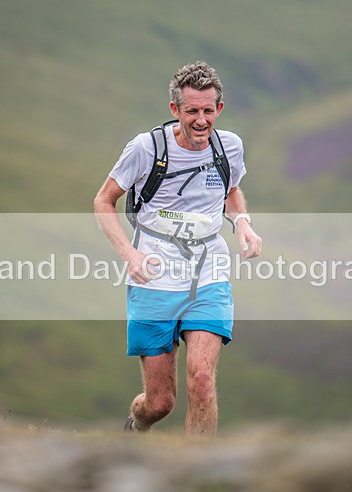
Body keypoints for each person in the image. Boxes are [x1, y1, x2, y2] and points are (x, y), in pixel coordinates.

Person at [93, 61, 262, 436]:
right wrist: (130, 255)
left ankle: (197, 480)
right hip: (154, 274)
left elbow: (230, 190)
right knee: (160, 403)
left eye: (208, 110)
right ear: (175, 110)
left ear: (219, 108)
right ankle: (136, 423)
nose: (201, 121)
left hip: (208, 272)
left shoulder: (228, 146)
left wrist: (243, 224)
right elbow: (104, 201)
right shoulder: (145, 148)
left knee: (201, 380)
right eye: (192, 112)